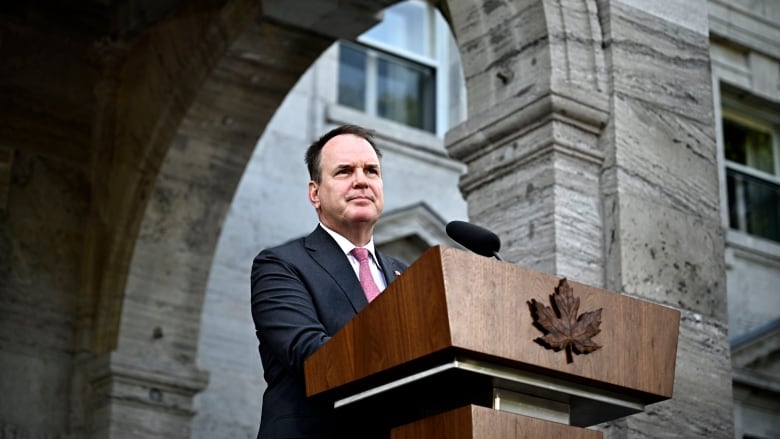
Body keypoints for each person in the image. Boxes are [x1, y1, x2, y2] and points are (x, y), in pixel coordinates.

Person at [250, 124, 408, 438]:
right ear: (315, 193)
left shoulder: (409, 276)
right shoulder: (281, 265)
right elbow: (313, 356)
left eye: (371, 171)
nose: (361, 181)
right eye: (344, 171)